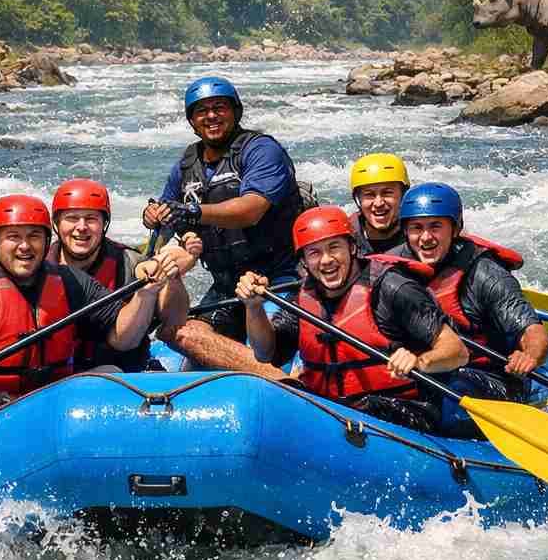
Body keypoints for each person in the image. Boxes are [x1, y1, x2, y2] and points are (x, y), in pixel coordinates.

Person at [0, 194, 181, 440]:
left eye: (34, 236)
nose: (25, 246)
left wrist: (147, 293)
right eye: (14, 237)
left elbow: (124, 339)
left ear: (47, 240)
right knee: (7, 411)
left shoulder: (69, 281)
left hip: (40, 400)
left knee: (112, 375)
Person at [235, 206, 469, 432]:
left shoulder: (393, 288)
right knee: (277, 398)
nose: (326, 260)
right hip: (335, 409)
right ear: (304, 262)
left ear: (352, 248)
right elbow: (265, 353)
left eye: (334, 247)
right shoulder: (303, 298)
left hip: (403, 409)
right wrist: (254, 308)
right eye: (314, 252)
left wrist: (419, 361)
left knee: (365, 409)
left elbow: (457, 351)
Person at [141, 75, 307, 342]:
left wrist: (195, 211)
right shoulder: (186, 165)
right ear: (192, 121)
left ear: (235, 112)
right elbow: (168, 216)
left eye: (220, 107)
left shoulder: (261, 150)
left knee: (268, 344)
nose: (211, 116)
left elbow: (251, 210)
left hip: (278, 280)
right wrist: (154, 216)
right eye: (202, 111)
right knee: (181, 337)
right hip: (226, 286)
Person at [399, 182, 548, 422]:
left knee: (454, 386)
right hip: (424, 370)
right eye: (416, 228)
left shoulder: (486, 274)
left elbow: (533, 330)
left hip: (488, 378)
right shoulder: (393, 268)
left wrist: (530, 356)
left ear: (455, 228)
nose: (425, 237)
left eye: (436, 226)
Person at [49, 177, 198, 369]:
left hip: (122, 375)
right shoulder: (38, 268)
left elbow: (174, 320)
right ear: (57, 224)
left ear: (104, 224)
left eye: (91, 218)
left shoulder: (131, 262)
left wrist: (173, 275)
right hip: (58, 378)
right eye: (72, 218)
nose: (82, 227)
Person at [348, 152, 410, 254]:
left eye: (387, 193)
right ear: (358, 200)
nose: (378, 203)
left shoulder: (421, 235)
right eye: (369, 194)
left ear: (404, 195)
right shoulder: (346, 240)